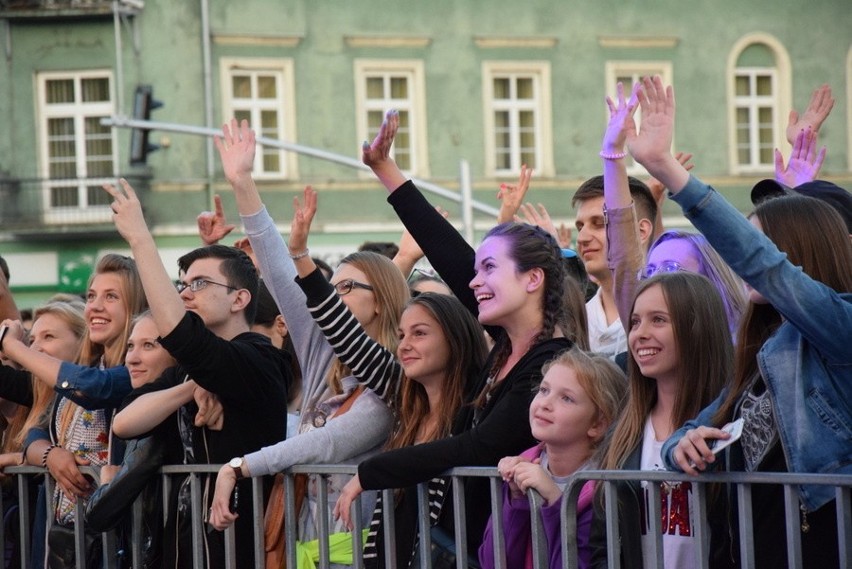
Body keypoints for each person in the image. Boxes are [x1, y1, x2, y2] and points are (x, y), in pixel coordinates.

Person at [622, 77, 850, 567]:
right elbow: (693, 431)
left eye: (759, 246)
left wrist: (666, 169)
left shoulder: (841, 330)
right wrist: (684, 445)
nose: (744, 262)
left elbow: (765, 265)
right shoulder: (765, 347)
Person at [341, 109, 573, 558]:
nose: (473, 281)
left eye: (490, 269)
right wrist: (386, 170)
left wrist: (373, 471)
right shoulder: (506, 344)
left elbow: (477, 446)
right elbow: (448, 251)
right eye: (477, 269)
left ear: (532, 279)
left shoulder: (551, 364)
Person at [208, 122, 403, 566]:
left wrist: (240, 466)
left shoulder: (394, 377)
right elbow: (277, 269)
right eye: (332, 286)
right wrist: (243, 182)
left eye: (348, 288)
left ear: (382, 303)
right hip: (301, 535)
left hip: (351, 545)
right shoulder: (323, 354)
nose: (333, 296)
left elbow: (328, 443)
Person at [106, 178, 290, 569]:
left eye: (200, 284)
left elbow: (183, 337)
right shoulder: (190, 374)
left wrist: (141, 240)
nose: (186, 293)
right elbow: (124, 423)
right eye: (183, 285)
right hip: (182, 548)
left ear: (240, 298)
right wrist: (191, 389)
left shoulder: (259, 359)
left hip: (239, 547)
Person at [1, 254, 147, 569]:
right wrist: (48, 452)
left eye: (111, 297)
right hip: (65, 537)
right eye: (92, 296)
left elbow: (95, 389)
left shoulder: (135, 372)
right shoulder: (88, 369)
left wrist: (15, 348)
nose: (95, 306)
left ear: (134, 308)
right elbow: (39, 427)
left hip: (117, 540)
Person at [325, 290, 488, 568]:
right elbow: (347, 337)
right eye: (401, 336)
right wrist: (299, 257)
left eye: (419, 333)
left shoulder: (477, 416)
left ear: (455, 339)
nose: (404, 345)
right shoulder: (406, 409)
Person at [591, 272, 732, 569]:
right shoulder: (623, 433)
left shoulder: (731, 424)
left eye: (658, 320)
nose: (639, 334)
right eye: (635, 322)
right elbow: (602, 542)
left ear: (697, 328)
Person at [601, 81, 746, 339]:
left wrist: (663, 164)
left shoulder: (743, 362)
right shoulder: (642, 331)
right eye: (650, 271)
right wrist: (612, 153)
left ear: (712, 285)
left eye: (671, 268)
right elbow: (624, 261)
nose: (654, 281)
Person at [479, 348, 627, 569]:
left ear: (597, 424)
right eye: (544, 390)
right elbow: (491, 562)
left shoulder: (604, 488)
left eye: (566, 398)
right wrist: (517, 499)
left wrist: (556, 502)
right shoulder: (524, 463)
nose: (545, 403)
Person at [572, 174, 657, 357]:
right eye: (580, 227)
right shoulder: (578, 321)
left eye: (599, 224)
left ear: (641, 231)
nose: (582, 238)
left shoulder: (667, 312)